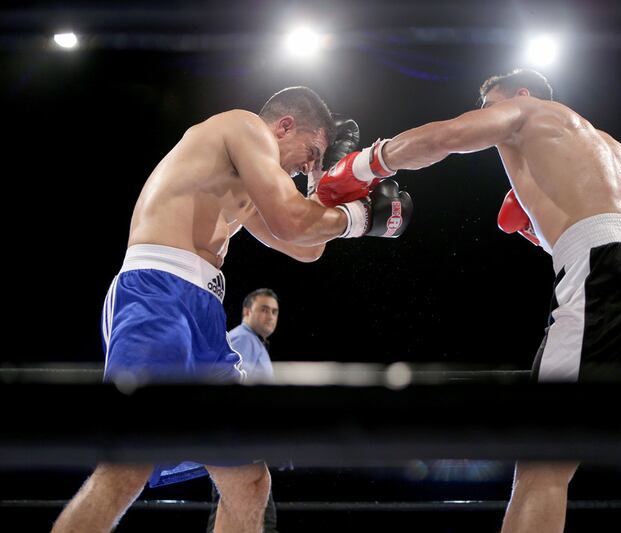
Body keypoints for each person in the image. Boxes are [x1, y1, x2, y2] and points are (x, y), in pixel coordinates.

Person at [314, 69, 621, 532]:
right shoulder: (607, 146)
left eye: (490, 103)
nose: (486, 115)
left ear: (520, 94)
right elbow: (598, 219)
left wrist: (367, 163)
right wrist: (540, 231)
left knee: (543, 457)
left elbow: (448, 137)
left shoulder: (528, 111)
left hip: (606, 274)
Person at [52, 86, 412, 533]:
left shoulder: (246, 185)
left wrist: (326, 186)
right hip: (157, 292)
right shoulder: (242, 126)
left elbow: (306, 248)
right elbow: (292, 221)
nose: (307, 167)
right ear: (283, 126)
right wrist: (358, 218)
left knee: (248, 479)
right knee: (129, 462)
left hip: (203, 311)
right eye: (311, 153)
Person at [207, 288, 282, 533]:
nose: (270, 316)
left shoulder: (254, 344)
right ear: (247, 311)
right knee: (259, 520)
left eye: (274, 311)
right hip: (238, 446)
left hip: (241, 445)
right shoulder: (242, 339)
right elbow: (232, 390)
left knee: (233, 514)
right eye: (263, 309)